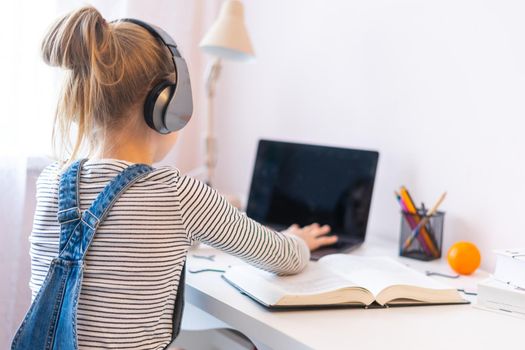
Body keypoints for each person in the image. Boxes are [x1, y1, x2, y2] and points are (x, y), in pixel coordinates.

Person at [25, 6, 337, 349]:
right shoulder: (175, 192)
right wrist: (298, 241)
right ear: (167, 105)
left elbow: (113, 242)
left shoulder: (51, 181)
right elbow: (283, 258)